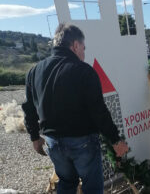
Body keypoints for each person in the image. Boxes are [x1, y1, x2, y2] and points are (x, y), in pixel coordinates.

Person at [22, 23, 129, 193]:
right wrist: (116, 140)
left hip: (53, 142)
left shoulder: (34, 72)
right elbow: (98, 111)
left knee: (66, 183)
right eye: (83, 49)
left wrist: (35, 137)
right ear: (75, 45)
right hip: (83, 142)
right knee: (92, 186)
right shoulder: (84, 71)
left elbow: (29, 109)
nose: (84, 55)